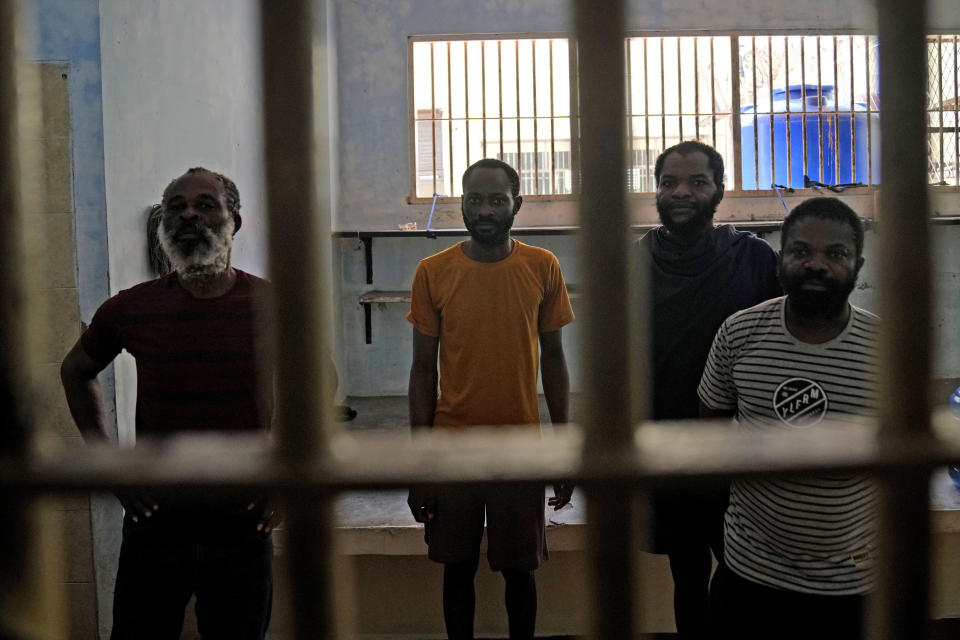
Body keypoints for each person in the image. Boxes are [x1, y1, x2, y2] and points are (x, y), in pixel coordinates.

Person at [60, 167, 278, 640]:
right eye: (176, 207)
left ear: (233, 221)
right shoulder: (131, 308)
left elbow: (318, 383)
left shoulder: (272, 305)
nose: (189, 215)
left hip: (241, 517)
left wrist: (286, 466)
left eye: (205, 205)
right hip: (156, 521)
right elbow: (75, 371)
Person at [406, 158, 575, 640]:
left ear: (516, 205)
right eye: (474, 198)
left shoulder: (542, 266)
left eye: (496, 199)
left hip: (520, 449)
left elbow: (555, 363)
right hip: (452, 448)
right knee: (455, 568)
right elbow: (422, 371)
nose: (484, 209)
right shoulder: (433, 272)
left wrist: (562, 446)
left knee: (520, 572)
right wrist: (419, 462)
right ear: (461, 203)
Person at [699, 197, 877, 639]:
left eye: (835, 254)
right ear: (781, 258)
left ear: (858, 263)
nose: (816, 264)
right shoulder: (738, 332)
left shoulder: (888, 347)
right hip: (749, 576)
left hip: (852, 582)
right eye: (801, 251)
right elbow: (711, 443)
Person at [639, 140, 781, 637]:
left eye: (698, 182)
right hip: (669, 447)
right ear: (655, 191)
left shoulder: (754, 259)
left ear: (719, 191)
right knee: (688, 574)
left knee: (749, 573)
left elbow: (786, 345)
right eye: (669, 182)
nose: (682, 192)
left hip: (742, 449)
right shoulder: (633, 266)